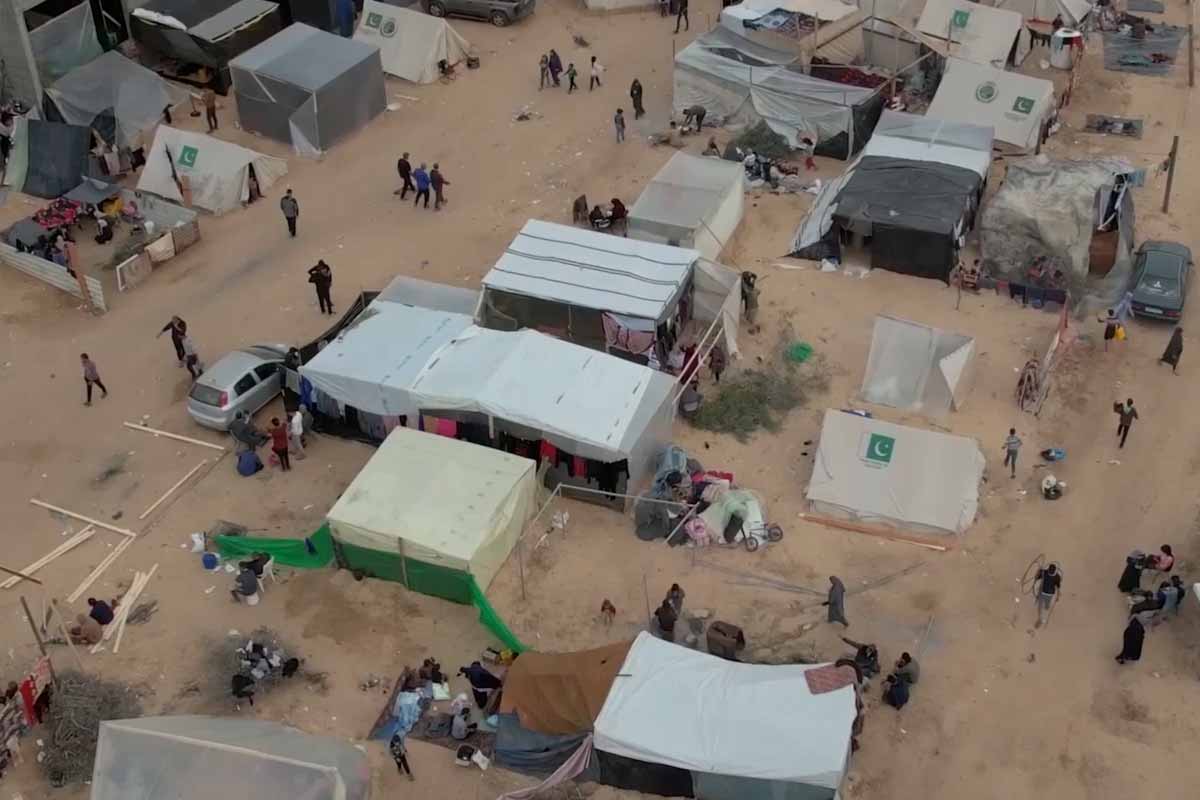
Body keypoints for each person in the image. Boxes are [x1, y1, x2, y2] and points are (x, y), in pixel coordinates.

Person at [1033, 562, 1061, 628]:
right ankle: (1040, 618)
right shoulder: (1044, 572)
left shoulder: (1057, 577)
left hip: (1050, 594)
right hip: (1042, 592)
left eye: (1051, 572)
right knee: (1040, 606)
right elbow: (1036, 578)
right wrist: (1038, 571)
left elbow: (1058, 587)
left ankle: (1044, 612)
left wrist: (1058, 596)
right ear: (1048, 569)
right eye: (1049, 571)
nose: (1050, 573)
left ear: (1054, 571)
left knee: (1047, 606)